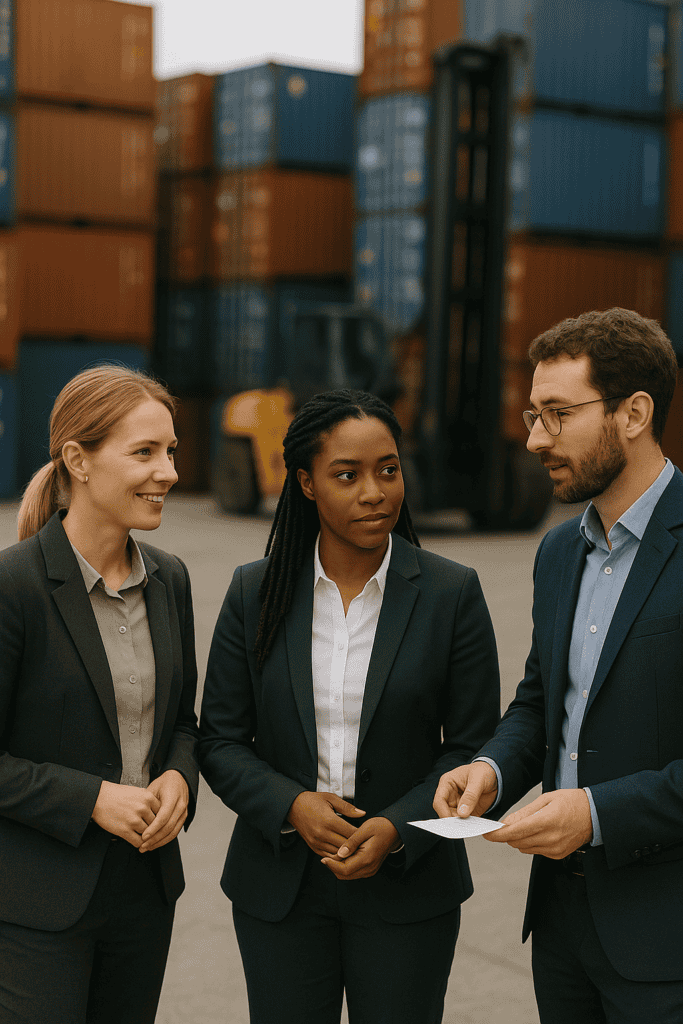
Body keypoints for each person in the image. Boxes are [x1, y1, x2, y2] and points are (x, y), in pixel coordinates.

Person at [199, 389, 500, 1024]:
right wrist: (292, 805)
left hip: (410, 888)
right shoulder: (256, 594)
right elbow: (220, 741)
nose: (375, 492)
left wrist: (398, 827)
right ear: (305, 483)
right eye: (348, 475)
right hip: (280, 888)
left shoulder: (451, 594)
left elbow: (471, 748)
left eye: (388, 470)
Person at [434, 307, 683, 1023]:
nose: (533, 437)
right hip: (561, 930)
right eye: (530, 414)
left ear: (632, 413)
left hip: (665, 941)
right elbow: (543, 702)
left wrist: (597, 812)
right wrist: (492, 768)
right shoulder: (557, 553)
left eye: (556, 414)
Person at [0, 365, 199, 1024]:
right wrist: (92, 800)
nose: (167, 471)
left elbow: (183, 724)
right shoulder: (15, 588)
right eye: (144, 453)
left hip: (144, 893)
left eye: (169, 451)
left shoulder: (169, 580)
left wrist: (178, 775)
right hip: (36, 906)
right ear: (78, 461)